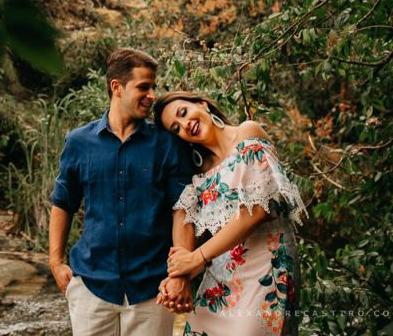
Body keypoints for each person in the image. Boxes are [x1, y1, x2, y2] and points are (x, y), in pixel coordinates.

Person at [49, 48, 195, 336]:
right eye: (144, 87)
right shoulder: (78, 142)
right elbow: (63, 202)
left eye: (154, 87)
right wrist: (55, 261)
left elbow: (183, 210)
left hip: (152, 290)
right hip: (91, 287)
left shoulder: (169, 145)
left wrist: (180, 275)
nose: (152, 95)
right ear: (117, 87)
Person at [155, 91, 306, 336]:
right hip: (221, 278)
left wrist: (194, 259)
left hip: (267, 268)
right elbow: (192, 225)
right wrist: (179, 276)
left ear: (202, 104)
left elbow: (254, 213)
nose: (185, 125)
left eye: (183, 113)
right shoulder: (199, 173)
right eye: (176, 128)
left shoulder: (247, 132)